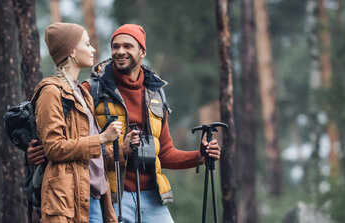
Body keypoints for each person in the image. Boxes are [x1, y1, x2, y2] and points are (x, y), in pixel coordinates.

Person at [81, 24, 222, 223]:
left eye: (128, 46)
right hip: (111, 198)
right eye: (115, 46)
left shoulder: (156, 92)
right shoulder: (91, 90)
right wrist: (122, 150)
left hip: (153, 198)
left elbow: (164, 153)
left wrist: (199, 156)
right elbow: (79, 148)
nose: (120, 51)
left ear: (142, 52)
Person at [27, 22, 121, 223]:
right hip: (69, 201)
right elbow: (54, 148)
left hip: (95, 197)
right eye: (87, 44)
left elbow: (93, 152)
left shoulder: (82, 93)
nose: (93, 49)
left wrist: (125, 147)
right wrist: (102, 137)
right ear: (71, 52)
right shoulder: (51, 92)